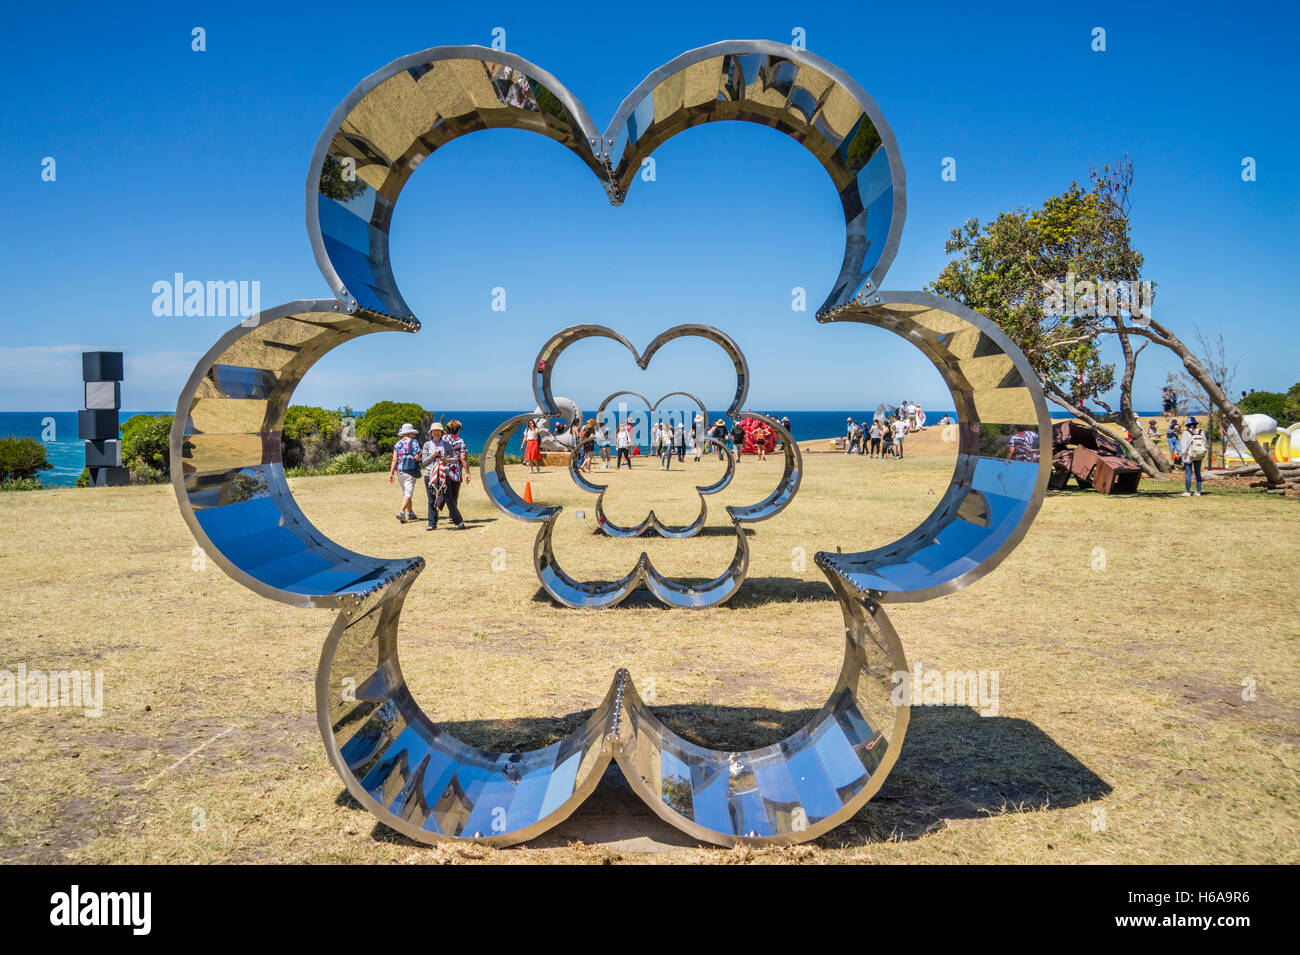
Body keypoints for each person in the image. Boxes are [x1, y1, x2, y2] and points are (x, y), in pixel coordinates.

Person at [436, 419, 470, 527]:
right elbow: (463, 457)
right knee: (454, 493)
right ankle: (452, 517)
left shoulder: (441, 439)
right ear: (458, 429)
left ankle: (436, 511)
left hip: (441, 469)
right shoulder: (460, 441)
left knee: (442, 491)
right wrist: (467, 472)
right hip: (455, 471)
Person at [388, 423, 423, 523]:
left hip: (400, 471)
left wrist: (391, 473)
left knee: (406, 493)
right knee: (408, 493)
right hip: (410, 470)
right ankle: (401, 512)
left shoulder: (397, 444)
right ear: (411, 432)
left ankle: (411, 513)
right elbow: (416, 457)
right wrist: (422, 458)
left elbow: (394, 459)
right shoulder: (414, 442)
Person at [421, 421, 446, 530]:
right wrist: (433, 455)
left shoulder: (446, 444)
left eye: (438, 431)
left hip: (442, 475)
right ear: (431, 433)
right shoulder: (427, 445)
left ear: (441, 433)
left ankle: (439, 512)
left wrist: (446, 459)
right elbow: (424, 462)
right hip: (429, 475)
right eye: (434, 431)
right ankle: (431, 523)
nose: (436, 433)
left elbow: (454, 458)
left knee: (443, 496)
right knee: (431, 499)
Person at [1181, 417, 1207, 497]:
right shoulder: (1201, 432)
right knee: (1198, 473)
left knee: (1188, 473)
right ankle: (1198, 492)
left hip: (1189, 455)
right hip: (1199, 454)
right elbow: (1204, 442)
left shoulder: (1186, 433)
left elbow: (1184, 446)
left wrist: (1183, 455)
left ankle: (1188, 491)